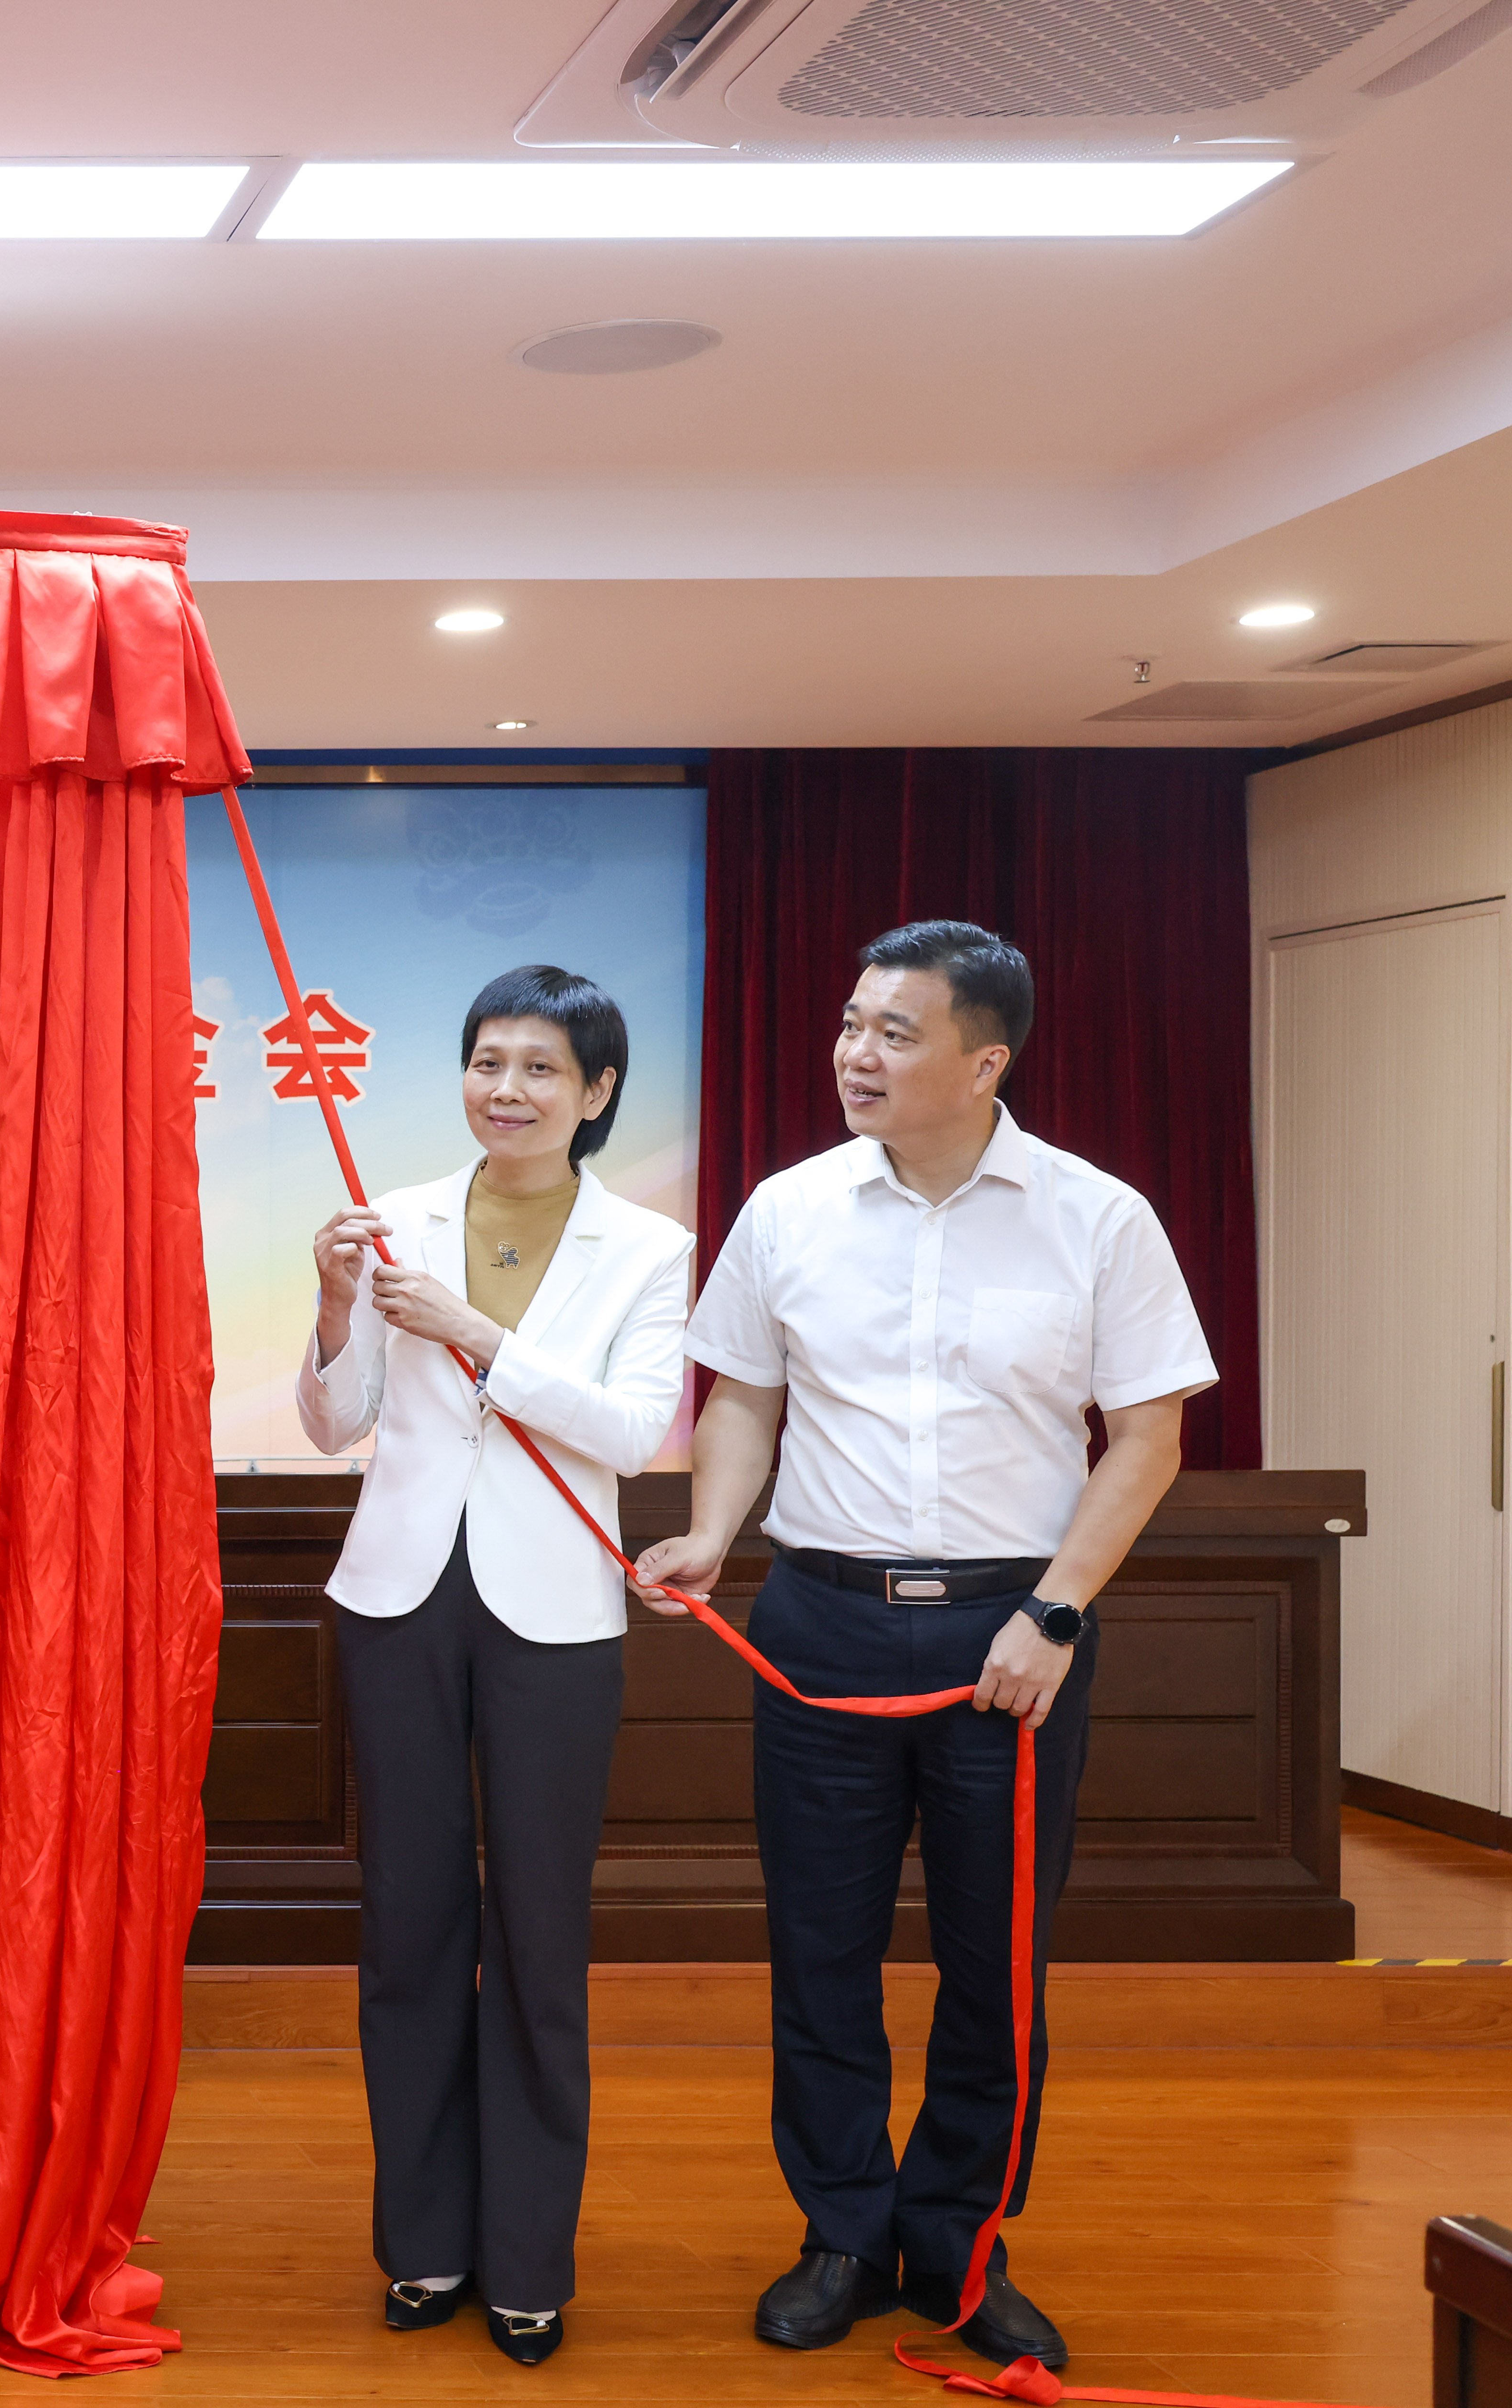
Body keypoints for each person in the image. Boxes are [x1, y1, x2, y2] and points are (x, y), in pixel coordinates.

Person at [631, 921, 1213, 2372]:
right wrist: (715, 1529)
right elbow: (746, 1401)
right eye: (849, 1025)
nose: (854, 1054)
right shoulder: (790, 1208)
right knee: (819, 1953)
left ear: (985, 1058)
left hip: (1012, 1628)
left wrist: (1056, 1611)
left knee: (993, 1964)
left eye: (894, 1032)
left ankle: (957, 2242)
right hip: (821, 1616)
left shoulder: (1099, 1217)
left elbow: (1147, 1435)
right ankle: (841, 2231)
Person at [297, 965, 694, 2368]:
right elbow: (341, 1425)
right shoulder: (394, 1218)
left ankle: (528, 2258)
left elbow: (637, 1431)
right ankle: (425, 2247)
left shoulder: (649, 1248)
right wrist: (340, 1308)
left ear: (595, 1095)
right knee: (409, 1928)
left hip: (556, 1615)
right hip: (398, 1598)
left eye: (539, 1069)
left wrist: (475, 1335)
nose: (505, 1089)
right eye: (485, 1061)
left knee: (537, 1936)